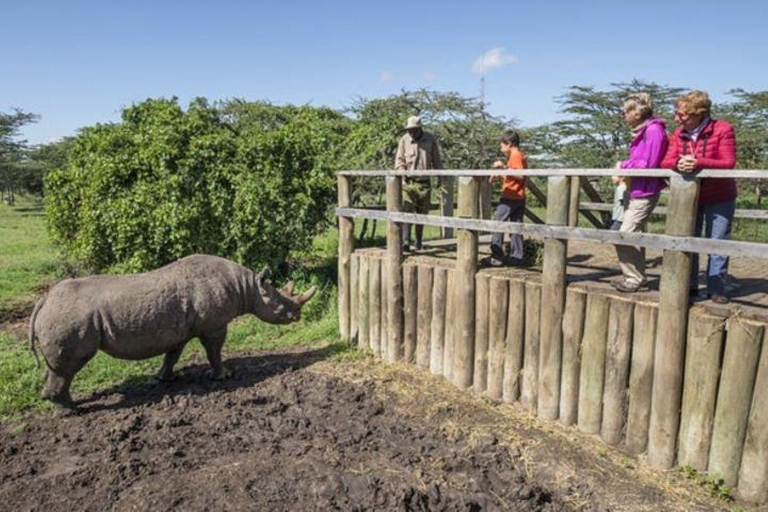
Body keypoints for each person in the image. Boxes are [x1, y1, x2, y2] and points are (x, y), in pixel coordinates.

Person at [661, 90, 737, 304]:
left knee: (718, 242)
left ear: (699, 113)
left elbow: (728, 162)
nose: (677, 118)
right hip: (689, 197)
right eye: (676, 113)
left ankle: (716, 289)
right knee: (687, 240)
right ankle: (690, 286)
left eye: (682, 115)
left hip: (720, 195)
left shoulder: (723, 129)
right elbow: (666, 161)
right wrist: (678, 163)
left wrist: (698, 161)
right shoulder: (678, 133)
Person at [613, 93, 668, 293]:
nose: (622, 115)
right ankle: (636, 276)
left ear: (636, 113)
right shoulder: (643, 131)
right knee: (632, 233)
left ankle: (634, 277)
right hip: (636, 188)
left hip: (645, 190)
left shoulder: (653, 131)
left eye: (624, 111)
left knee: (624, 234)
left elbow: (649, 164)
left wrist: (623, 165)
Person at [395, 116, 443, 250]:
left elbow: (436, 159)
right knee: (407, 211)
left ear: (420, 128)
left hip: (425, 182)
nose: (411, 132)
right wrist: (402, 175)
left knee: (422, 213)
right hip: (409, 182)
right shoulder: (404, 140)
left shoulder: (430, 139)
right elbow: (399, 161)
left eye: (414, 130)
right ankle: (405, 242)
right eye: (409, 130)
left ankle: (419, 241)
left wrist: (440, 177)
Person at [485, 129, 527, 267]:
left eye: (502, 145)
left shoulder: (515, 156)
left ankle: (497, 255)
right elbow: (514, 176)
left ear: (509, 143)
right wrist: (501, 174)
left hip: (511, 197)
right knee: (516, 227)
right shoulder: (518, 155)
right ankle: (517, 257)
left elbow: (520, 175)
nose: (500, 147)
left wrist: (502, 166)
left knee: (498, 223)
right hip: (518, 196)